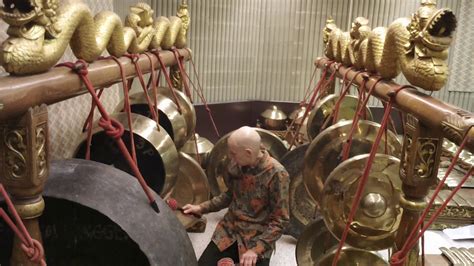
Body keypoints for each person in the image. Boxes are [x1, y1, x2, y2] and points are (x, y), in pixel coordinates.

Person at [183, 126, 290, 266]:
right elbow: (228, 196)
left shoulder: (277, 174)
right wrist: (201, 208)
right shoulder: (238, 164)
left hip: (257, 236)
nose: (230, 157)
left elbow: (280, 220)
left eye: (233, 154)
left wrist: (256, 250)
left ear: (248, 153)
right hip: (229, 229)